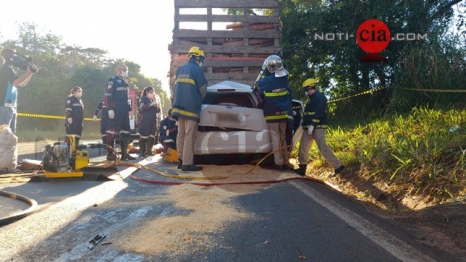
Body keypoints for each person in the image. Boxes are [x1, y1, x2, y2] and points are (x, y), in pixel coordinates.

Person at [293, 78, 345, 176]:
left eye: (306, 89)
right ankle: (302, 168)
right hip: (308, 128)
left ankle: (338, 167)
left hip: (317, 127)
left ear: (311, 87)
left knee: (322, 147)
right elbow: (308, 114)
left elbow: (319, 112)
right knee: (303, 147)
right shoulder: (311, 100)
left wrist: (313, 124)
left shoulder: (320, 97)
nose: (306, 92)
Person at [172, 46, 207, 171]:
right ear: (197, 57)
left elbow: (174, 88)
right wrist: (200, 100)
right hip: (191, 107)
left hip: (178, 106)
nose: (201, 61)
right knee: (189, 135)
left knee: (180, 134)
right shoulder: (196, 70)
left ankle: (181, 160)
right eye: (201, 58)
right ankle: (187, 163)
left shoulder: (180, 69)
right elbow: (203, 89)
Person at [257, 55, 293, 171]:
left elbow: (258, 84)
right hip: (283, 113)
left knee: (275, 138)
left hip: (272, 113)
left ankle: (279, 163)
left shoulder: (267, 80)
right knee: (283, 138)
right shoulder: (284, 78)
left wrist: (262, 72)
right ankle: (286, 162)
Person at [0, 48, 39, 133]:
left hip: (11, 105)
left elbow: (22, 83)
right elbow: (17, 81)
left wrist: (30, 73)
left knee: (11, 133)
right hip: (4, 105)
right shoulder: (5, 68)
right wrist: (28, 73)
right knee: (4, 134)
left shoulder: (10, 69)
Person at [104, 63, 136, 161]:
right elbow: (108, 96)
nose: (126, 72)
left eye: (127, 70)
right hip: (116, 110)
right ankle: (110, 154)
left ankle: (124, 154)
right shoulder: (113, 81)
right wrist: (110, 109)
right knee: (112, 132)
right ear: (119, 70)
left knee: (125, 132)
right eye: (125, 70)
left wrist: (130, 110)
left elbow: (127, 99)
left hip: (124, 111)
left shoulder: (125, 83)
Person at [137, 86, 160, 158]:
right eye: (150, 92)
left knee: (152, 136)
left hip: (153, 121)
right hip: (144, 121)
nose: (152, 94)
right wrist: (150, 105)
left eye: (153, 92)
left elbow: (157, 111)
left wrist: (158, 105)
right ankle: (142, 151)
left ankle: (149, 151)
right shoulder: (142, 99)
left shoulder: (153, 100)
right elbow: (141, 107)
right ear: (147, 92)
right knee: (143, 136)